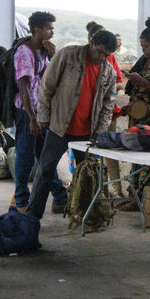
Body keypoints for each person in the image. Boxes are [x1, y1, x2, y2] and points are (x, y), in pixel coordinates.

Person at [28, 29, 120, 220]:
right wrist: (43, 116)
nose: (102, 57)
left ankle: (85, 217)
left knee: (87, 175)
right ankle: (32, 217)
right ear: (91, 42)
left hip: (87, 133)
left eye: (107, 55)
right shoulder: (67, 56)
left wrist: (101, 130)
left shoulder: (108, 71)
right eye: (99, 52)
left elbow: (108, 104)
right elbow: (46, 86)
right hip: (59, 126)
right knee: (45, 170)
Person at [12, 11, 59, 211]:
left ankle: (60, 196)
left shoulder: (43, 52)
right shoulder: (25, 52)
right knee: (25, 156)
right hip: (27, 112)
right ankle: (21, 201)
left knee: (45, 156)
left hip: (40, 111)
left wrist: (53, 57)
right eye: (49, 28)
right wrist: (32, 118)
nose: (52, 32)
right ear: (38, 29)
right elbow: (23, 86)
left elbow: (50, 78)